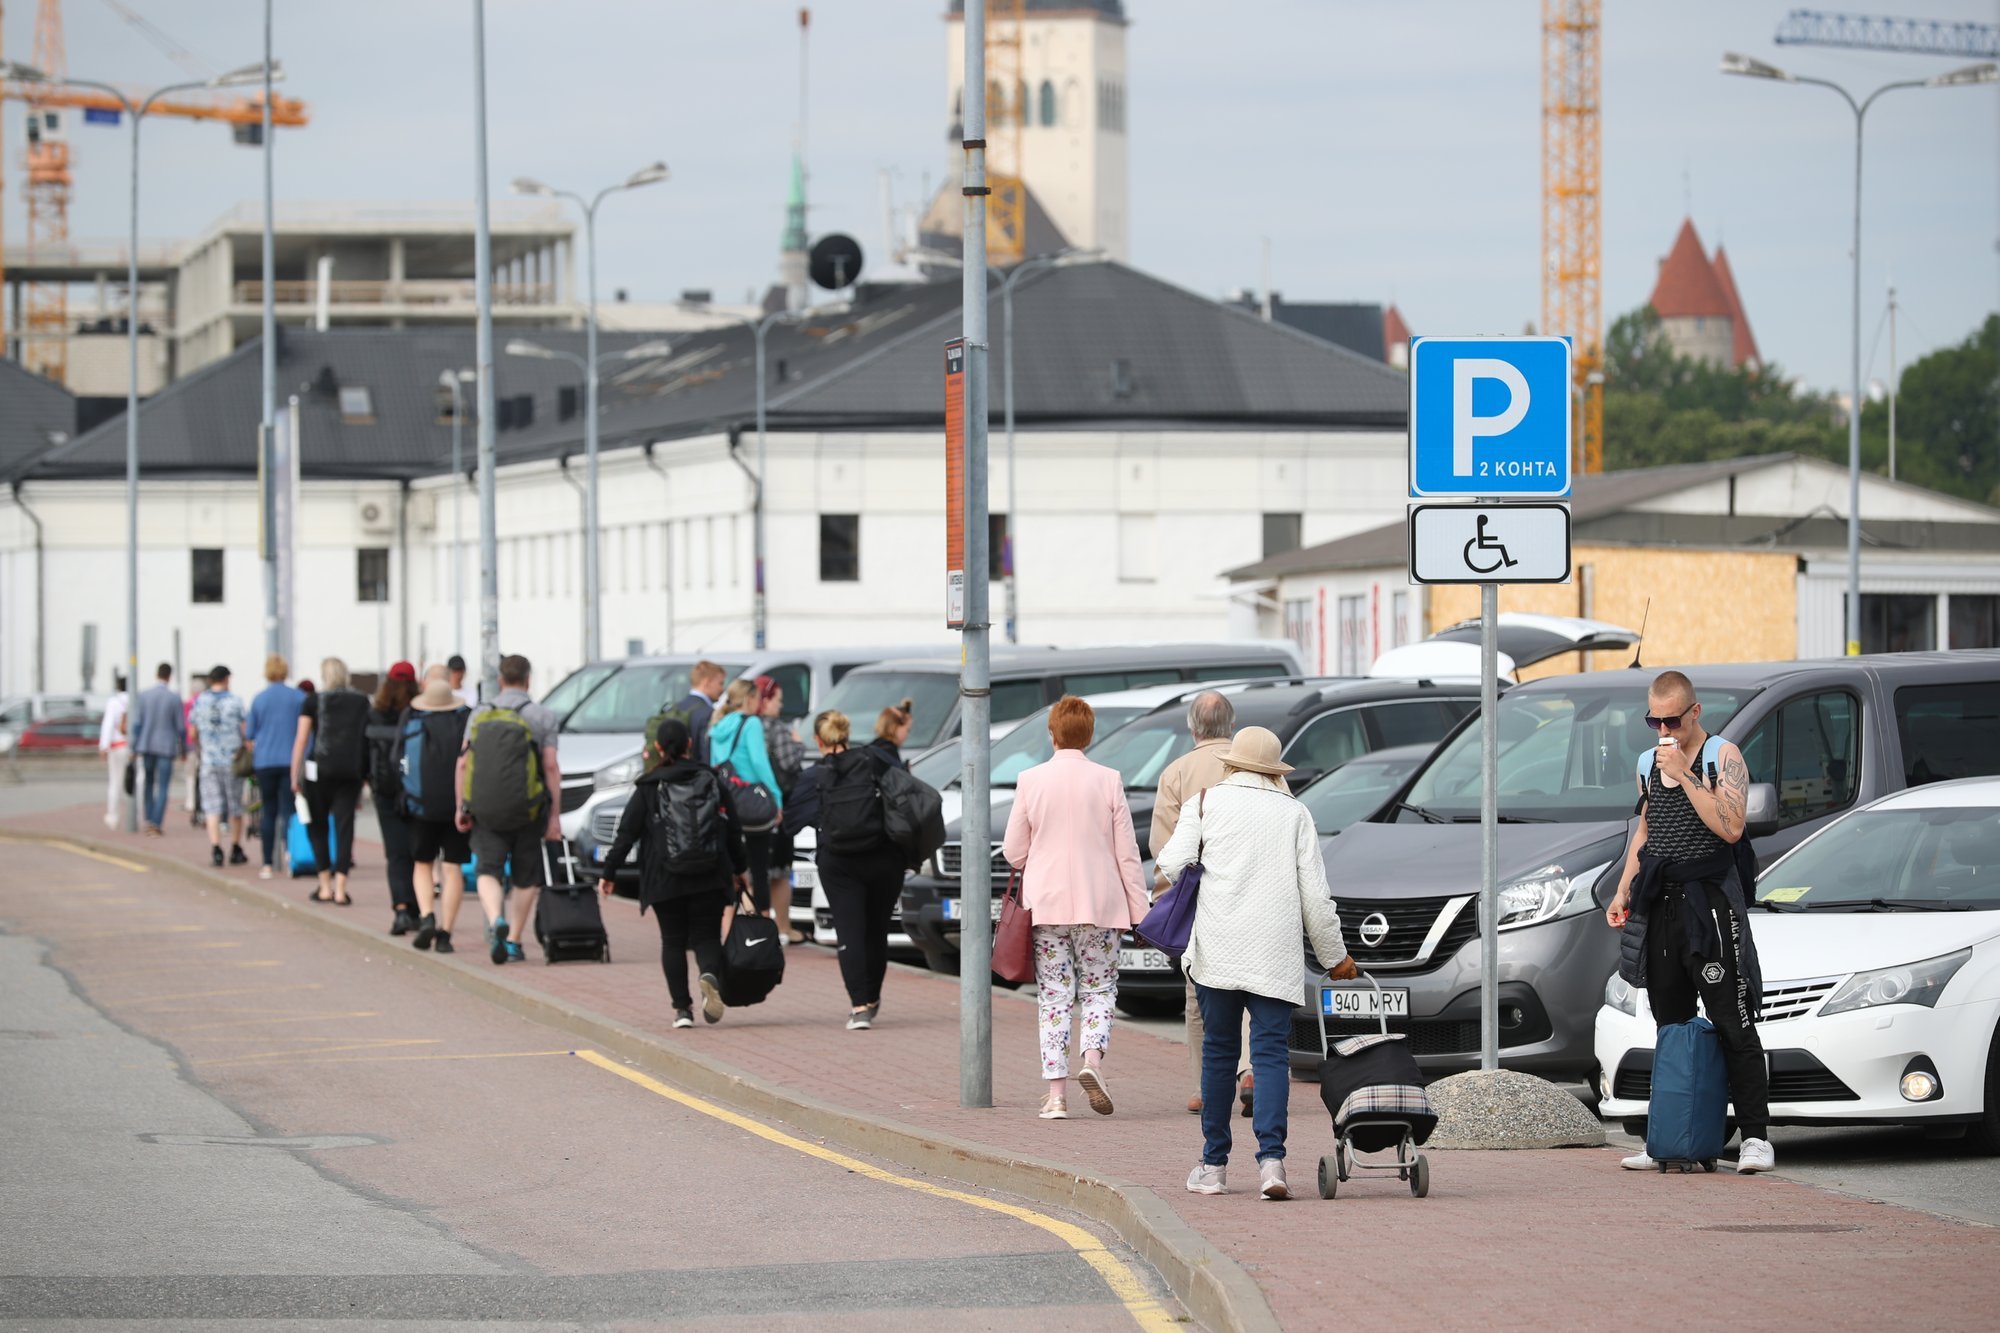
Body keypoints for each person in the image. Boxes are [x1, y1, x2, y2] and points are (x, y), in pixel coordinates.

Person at [1156, 725, 1352, 1202]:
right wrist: (1335, 957)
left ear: (1231, 763)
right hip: (1274, 955)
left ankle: (1213, 1165)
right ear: (1274, 771)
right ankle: (1272, 1164)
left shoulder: (1205, 802)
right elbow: (1315, 897)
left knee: (1220, 1055)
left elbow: (1170, 862)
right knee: (1268, 1057)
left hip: (1217, 952)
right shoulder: (1295, 813)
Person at [1605, 670, 1773, 1174]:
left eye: (1672, 720)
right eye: (1653, 720)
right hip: (1664, 899)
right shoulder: (1645, 763)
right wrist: (1623, 891)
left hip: (1712, 900)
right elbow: (1646, 831)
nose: (1663, 730)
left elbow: (1731, 826)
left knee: (1732, 1019)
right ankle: (1671, 1136)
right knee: (1669, 1023)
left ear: (1694, 713)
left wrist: (1686, 772)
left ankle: (1755, 1138)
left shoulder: (1723, 757)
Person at [1002, 696, 1151, 1120]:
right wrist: (1139, 910)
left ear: (1052, 734)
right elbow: (1127, 854)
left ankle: (1056, 1096)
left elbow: (1014, 852)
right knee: (1099, 989)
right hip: (1100, 904)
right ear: (1090, 735)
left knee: (1054, 996)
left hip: (1047, 905)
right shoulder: (1108, 779)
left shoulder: (1031, 779)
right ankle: (1092, 1062)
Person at [597, 718, 751, 1028]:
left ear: (657, 747)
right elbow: (733, 830)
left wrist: (609, 872)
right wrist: (739, 869)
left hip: (664, 877)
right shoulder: (711, 780)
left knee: (672, 941)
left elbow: (626, 834)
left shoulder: (649, 786)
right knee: (707, 937)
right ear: (689, 745)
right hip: (709, 874)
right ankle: (709, 974)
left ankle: (682, 1010)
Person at [1151, 690, 1251, 1119]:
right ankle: (1249, 1071)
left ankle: (1203, 1086)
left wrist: (1166, 901)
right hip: (1251, 892)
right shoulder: (1256, 767)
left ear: (1192, 728)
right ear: (1231, 725)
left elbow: (1163, 845)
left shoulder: (1176, 772)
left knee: (1199, 996)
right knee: (1253, 986)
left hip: (1201, 898)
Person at [454, 653, 561, 965]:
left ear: (500, 680)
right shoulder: (542, 716)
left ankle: (494, 917)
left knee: (488, 868)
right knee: (526, 875)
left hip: (486, 806)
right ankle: (514, 939)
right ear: (528, 680)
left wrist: (462, 805)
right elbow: (550, 766)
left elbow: (463, 763)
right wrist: (554, 816)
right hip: (529, 808)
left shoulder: (479, 714)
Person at [807, 708, 908, 1029]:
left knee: (849, 931)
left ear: (817, 740)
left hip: (839, 863)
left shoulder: (816, 774)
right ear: (846, 735)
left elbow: (792, 817)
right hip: (883, 858)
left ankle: (859, 1006)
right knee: (877, 931)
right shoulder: (876, 758)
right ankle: (873, 997)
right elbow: (906, 793)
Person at [290, 656, 370, 906]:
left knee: (318, 826)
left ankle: (324, 884)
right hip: (350, 771)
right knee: (345, 827)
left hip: (319, 771)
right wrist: (365, 773)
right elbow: (365, 737)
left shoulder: (313, 701)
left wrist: (295, 774)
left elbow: (302, 739)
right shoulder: (361, 701)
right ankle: (341, 888)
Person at [406, 668, 473, 955]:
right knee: (453, 868)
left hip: (422, 803)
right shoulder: (464, 720)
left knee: (422, 863)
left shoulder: (414, 720)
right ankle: (445, 933)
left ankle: (426, 916)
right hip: (457, 805)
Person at [708, 678, 784, 914]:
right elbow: (760, 763)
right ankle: (760, 929)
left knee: (730, 869)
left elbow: (715, 766)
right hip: (751, 802)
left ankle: (731, 928)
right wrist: (776, 797)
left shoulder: (718, 725)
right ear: (750, 699)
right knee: (759, 869)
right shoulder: (751, 724)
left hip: (725, 802)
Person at [366, 662, 422, 935]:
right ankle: (418, 909)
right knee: (417, 851)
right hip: (415, 790)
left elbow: (363, 754)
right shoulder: (417, 713)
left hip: (384, 792)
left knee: (395, 853)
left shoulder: (374, 714)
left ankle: (401, 909)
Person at [245, 656, 306, 879]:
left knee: (268, 812)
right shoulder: (298, 697)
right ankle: (292, 857)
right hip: (291, 761)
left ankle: (267, 863)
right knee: (289, 812)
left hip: (265, 761)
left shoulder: (259, 699)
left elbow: (249, 733)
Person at [761, 677, 808, 944]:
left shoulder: (744, 725)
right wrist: (798, 742)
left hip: (750, 808)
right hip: (777, 807)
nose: (780, 706)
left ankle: (756, 926)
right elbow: (789, 763)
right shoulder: (776, 729)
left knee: (755, 873)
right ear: (765, 700)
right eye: (778, 700)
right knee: (779, 870)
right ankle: (782, 926)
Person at [189, 665, 249, 867]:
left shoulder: (200, 702)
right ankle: (235, 846)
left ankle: (216, 847)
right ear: (226, 679)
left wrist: (204, 746)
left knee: (212, 806)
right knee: (235, 806)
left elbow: (192, 733)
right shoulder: (235, 701)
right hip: (232, 761)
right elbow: (245, 731)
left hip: (209, 760)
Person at [129, 663, 185, 836]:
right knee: (163, 786)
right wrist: (183, 748)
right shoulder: (174, 697)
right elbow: (180, 727)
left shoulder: (144, 696)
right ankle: (156, 822)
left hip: (146, 745)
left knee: (148, 783)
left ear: (156, 674)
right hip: (166, 747)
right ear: (169, 676)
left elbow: (137, 724)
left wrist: (134, 746)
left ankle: (148, 819)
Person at [672, 659, 725, 764]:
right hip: (698, 776)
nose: (722, 689)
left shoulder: (674, 709)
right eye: (720, 683)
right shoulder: (708, 713)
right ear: (707, 682)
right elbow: (707, 755)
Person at [98, 673, 129, 829]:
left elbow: (108, 724)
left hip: (117, 746)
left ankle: (113, 816)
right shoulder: (136, 700)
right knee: (135, 782)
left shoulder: (114, 702)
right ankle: (134, 815)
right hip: (131, 747)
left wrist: (104, 746)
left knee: (115, 782)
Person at [183, 673, 209, 828]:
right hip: (206, 746)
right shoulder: (205, 702)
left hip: (193, 744)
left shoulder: (190, 704)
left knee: (192, 775)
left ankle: (192, 803)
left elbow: (188, 727)